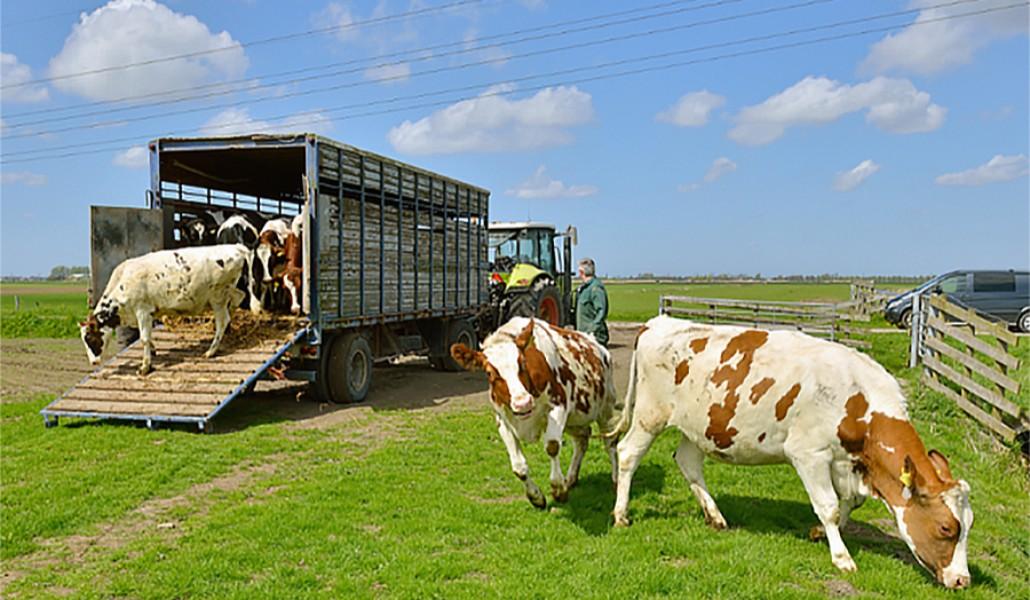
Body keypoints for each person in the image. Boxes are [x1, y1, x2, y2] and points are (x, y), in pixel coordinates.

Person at [575, 258, 609, 346]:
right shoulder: (584, 289)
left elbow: (601, 312)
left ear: (581, 272)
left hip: (594, 337)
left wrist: (591, 330)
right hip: (584, 335)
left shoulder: (595, 288)